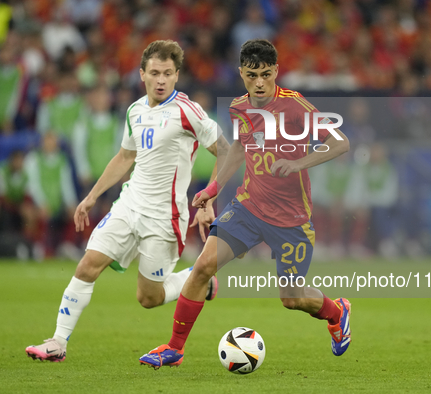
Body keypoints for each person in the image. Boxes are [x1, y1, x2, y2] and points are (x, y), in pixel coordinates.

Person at [139, 39, 351, 369]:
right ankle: (174, 348)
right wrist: (212, 188)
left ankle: (337, 311)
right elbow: (239, 146)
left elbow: (340, 143)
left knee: (291, 299)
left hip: (290, 218)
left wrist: (299, 163)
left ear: (276, 71)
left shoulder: (295, 107)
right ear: (241, 73)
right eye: (252, 75)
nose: (260, 82)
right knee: (203, 267)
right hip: (248, 207)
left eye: (267, 74)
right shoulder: (239, 107)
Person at [25, 40, 225, 362]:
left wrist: (207, 202)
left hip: (164, 217)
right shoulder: (135, 110)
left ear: (177, 76)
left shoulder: (188, 111)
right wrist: (91, 197)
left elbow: (226, 151)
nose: (161, 80)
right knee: (88, 264)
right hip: (129, 204)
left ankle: (197, 279)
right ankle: (57, 342)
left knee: (148, 298)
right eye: (155, 73)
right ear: (142, 73)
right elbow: (125, 156)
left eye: (168, 74)